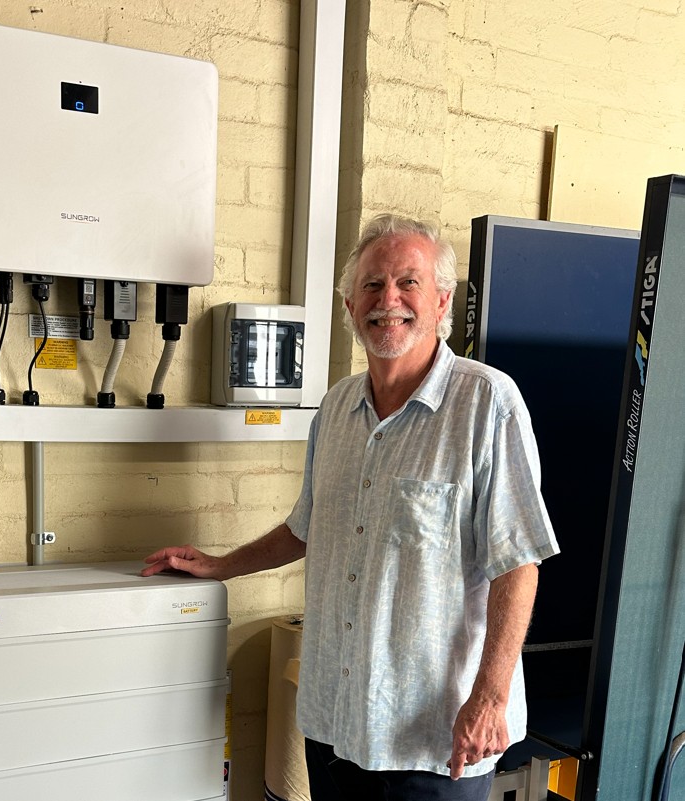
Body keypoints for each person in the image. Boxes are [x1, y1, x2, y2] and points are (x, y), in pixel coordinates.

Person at [142, 213, 559, 801]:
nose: (388, 299)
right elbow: (307, 527)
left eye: (408, 283)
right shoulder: (336, 409)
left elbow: (518, 561)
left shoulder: (487, 404)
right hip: (335, 721)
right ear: (348, 306)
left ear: (441, 301)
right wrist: (217, 566)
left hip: (432, 738)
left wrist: (490, 697)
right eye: (371, 285)